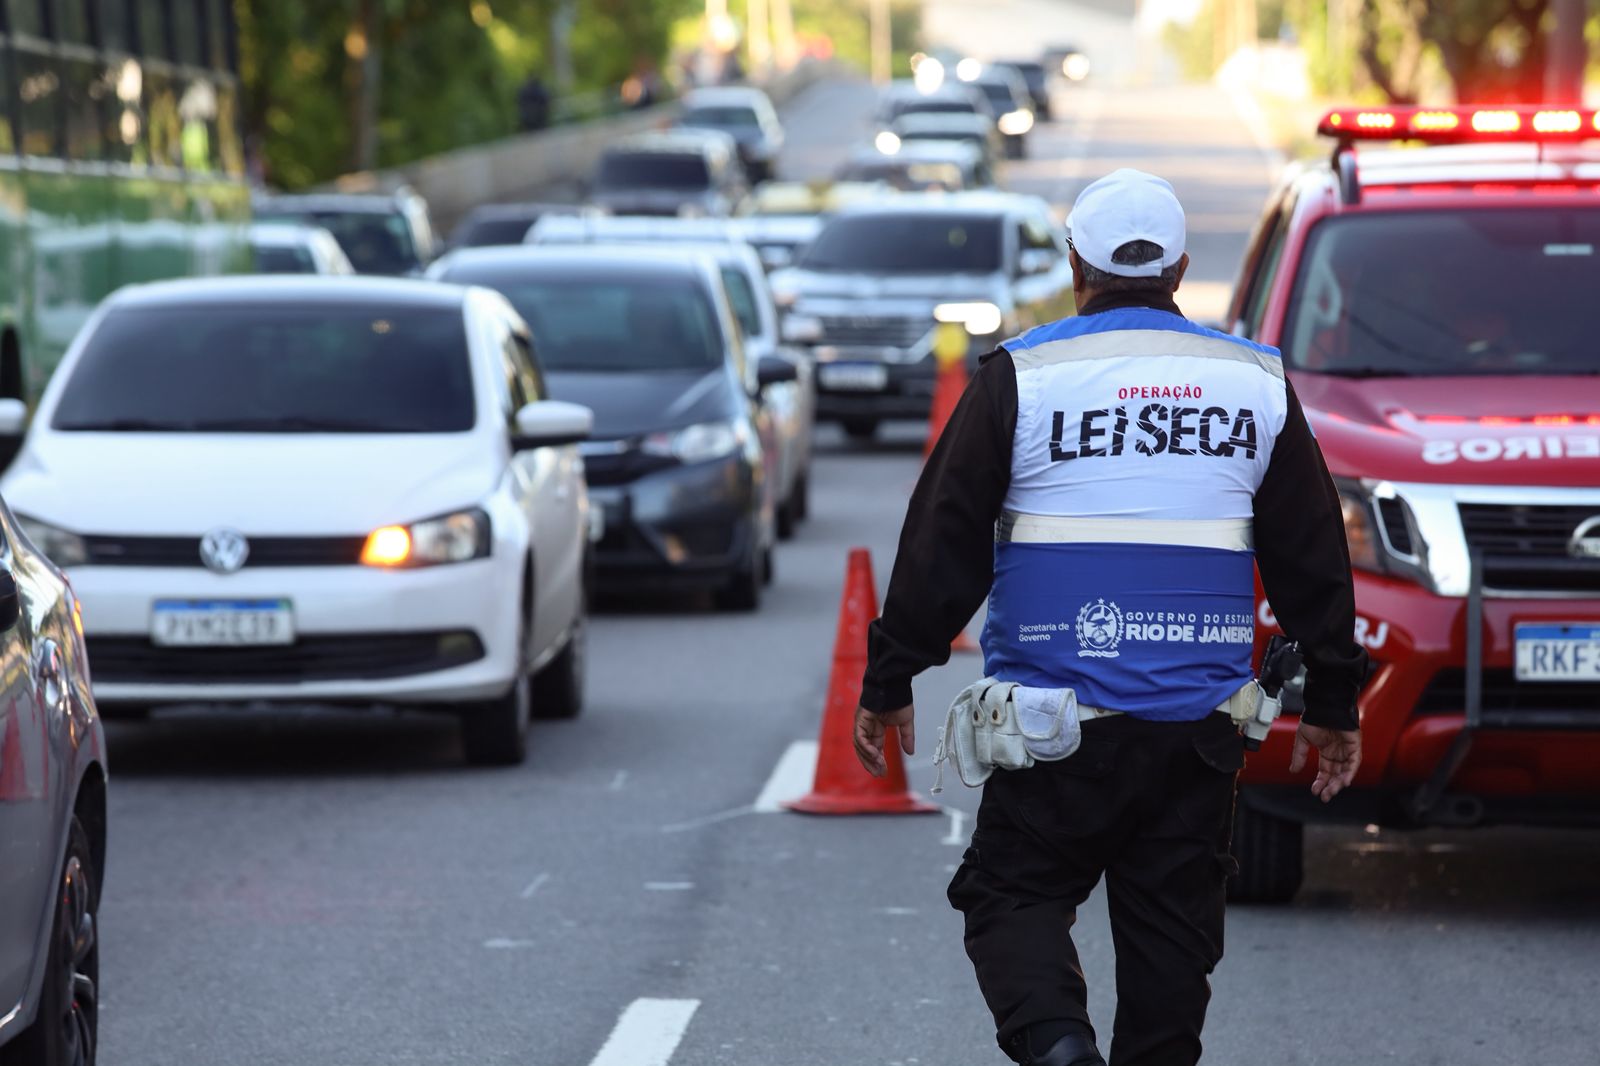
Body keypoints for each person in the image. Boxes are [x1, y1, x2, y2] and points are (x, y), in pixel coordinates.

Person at [852, 169, 1368, 1066]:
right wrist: (1333, 700)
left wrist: (891, 674)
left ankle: (1061, 1051)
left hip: (1056, 732)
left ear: (1076, 266)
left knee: (1010, 897)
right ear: (1180, 270)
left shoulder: (1023, 377)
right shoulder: (1253, 383)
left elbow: (945, 536)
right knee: (1171, 951)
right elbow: (1312, 553)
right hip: (1197, 735)